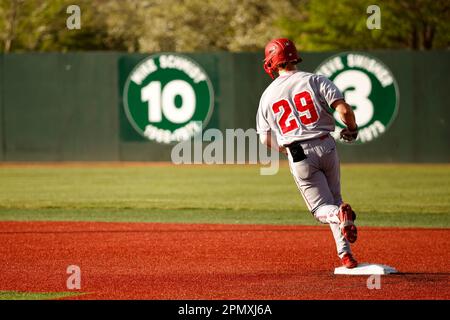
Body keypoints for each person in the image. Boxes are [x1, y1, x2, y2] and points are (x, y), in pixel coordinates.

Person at [256, 38, 359, 268]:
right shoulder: (316, 79)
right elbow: (344, 110)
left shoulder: (267, 95)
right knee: (336, 201)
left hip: (299, 152)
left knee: (322, 210)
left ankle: (339, 218)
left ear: (273, 63)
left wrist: (285, 149)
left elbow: (264, 138)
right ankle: (346, 255)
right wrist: (352, 129)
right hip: (326, 145)